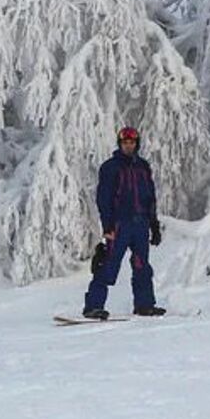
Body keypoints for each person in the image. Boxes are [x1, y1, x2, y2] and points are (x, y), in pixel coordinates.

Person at [83, 126, 165, 319]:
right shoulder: (111, 167)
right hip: (120, 224)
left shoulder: (143, 167)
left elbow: (150, 197)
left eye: (132, 143)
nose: (129, 146)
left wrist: (154, 224)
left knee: (142, 265)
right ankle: (93, 306)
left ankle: (144, 304)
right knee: (108, 264)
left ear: (137, 144)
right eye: (125, 143)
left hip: (141, 224)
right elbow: (104, 198)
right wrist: (108, 225)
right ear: (120, 144)